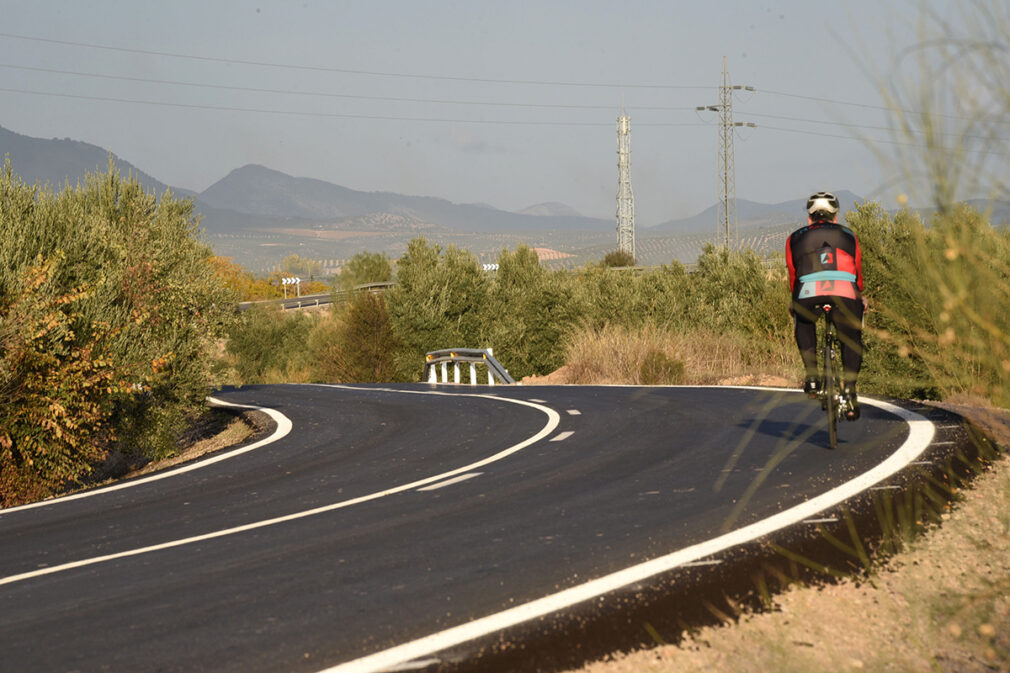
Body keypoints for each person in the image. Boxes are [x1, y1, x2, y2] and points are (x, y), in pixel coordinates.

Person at [786, 191, 866, 420]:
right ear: (836, 216)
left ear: (809, 217)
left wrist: (795, 302)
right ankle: (849, 389)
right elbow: (857, 274)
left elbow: (794, 276)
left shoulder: (794, 238)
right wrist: (860, 297)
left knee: (803, 320)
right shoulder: (850, 236)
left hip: (808, 292)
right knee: (851, 336)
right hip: (845, 292)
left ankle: (812, 376)